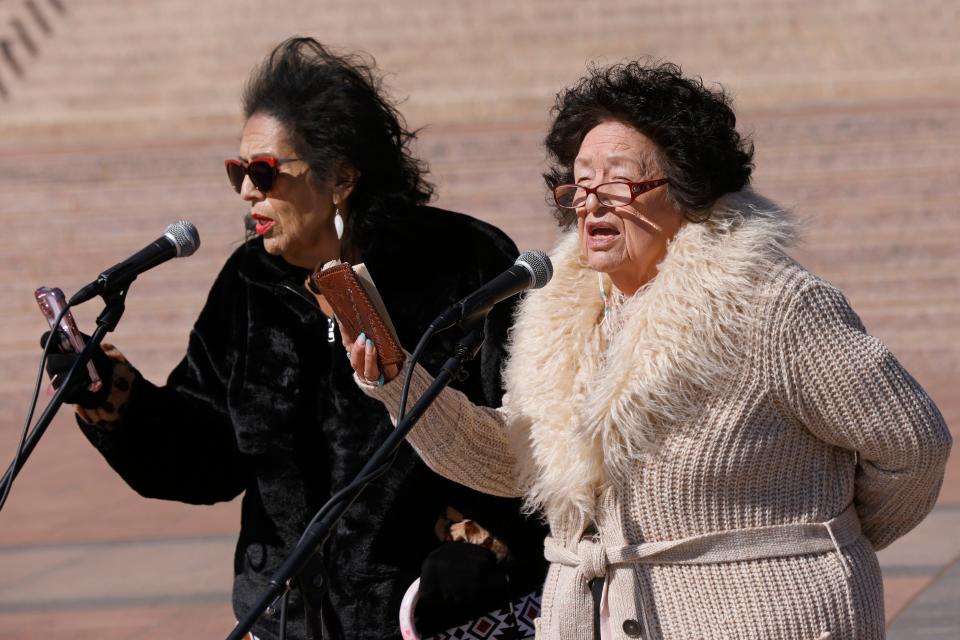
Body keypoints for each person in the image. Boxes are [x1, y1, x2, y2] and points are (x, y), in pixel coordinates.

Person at [346, 60, 952, 640]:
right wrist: (401, 381)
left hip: (768, 618)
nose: (590, 201)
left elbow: (912, 445)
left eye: (618, 181)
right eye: (579, 184)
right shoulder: (562, 313)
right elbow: (513, 462)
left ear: (689, 189)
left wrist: (817, 545)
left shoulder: (772, 304)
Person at [44, 38, 546, 640]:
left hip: (432, 617)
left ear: (342, 177)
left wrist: (485, 546)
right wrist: (111, 397)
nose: (246, 192)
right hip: (284, 618)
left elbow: (530, 432)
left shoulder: (464, 263)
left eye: (264, 172)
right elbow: (207, 457)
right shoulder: (248, 282)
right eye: (238, 172)